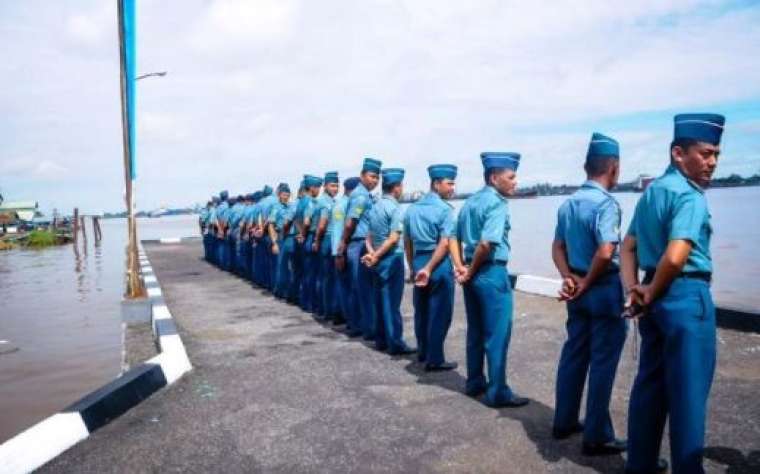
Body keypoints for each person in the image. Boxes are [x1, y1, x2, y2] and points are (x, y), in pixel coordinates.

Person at [622, 113, 725, 474]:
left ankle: (640, 465)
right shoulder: (688, 195)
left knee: (650, 387)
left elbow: (628, 247)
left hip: (654, 297)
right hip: (685, 297)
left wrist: (634, 290)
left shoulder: (652, 193)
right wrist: (650, 289)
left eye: (716, 155)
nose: (711, 162)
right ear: (678, 153)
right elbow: (678, 253)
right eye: (705, 153)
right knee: (688, 397)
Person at [551, 133, 628, 455]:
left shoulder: (568, 204)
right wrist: (586, 281)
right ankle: (597, 435)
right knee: (602, 363)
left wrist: (569, 277)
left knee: (574, 355)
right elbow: (607, 249)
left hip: (578, 289)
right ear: (613, 167)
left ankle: (564, 420)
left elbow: (557, 247)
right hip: (603, 287)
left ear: (586, 166)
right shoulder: (606, 204)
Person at [452, 152, 529, 408]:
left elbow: (452, 238)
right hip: (490, 272)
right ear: (494, 178)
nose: (515, 182)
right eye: (511, 176)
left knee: (475, 331)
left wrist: (461, 267)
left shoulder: (471, 201)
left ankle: (475, 382)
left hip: (472, 274)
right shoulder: (497, 203)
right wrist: (470, 270)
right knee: (497, 335)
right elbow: (486, 244)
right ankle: (497, 392)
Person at [403, 164, 459, 371]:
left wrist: (412, 266)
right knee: (440, 313)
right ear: (436, 184)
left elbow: (407, 242)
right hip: (438, 263)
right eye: (449, 183)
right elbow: (445, 243)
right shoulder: (444, 210)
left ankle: (423, 352)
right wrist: (430, 266)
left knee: (422, 311)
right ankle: (435, 359)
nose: (453, 187)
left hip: (418, 260)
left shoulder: (412, 209)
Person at [363, 168, 416, 355]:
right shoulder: (394, 208)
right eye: (401, 186)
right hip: (391, 257)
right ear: (396, 187)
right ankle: (395, 343)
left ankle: (381, 340)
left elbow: (367, 237)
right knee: (392, 303)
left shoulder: (375, 206)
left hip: (377, 257)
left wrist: (372, 254)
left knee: (379, 299)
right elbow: (394, 238)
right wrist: (377, 256)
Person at [337, 158, 382, 339]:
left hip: (359, 243)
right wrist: (343, 244)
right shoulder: (361, 196)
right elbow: (350, 223)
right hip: (359, 244)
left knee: (359, 287)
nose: (375, 180)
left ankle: (357, 325)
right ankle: (366, 328)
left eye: (377, 177)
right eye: (372, 176)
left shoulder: (361, 194)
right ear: (362, 175)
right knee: (363, 288)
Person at [330, 177, 360, 326]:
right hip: (344, 250)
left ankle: (340, 314)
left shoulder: (348, 203)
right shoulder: (341, 206)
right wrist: (338, 254)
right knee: (346, 286)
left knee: (344, 285)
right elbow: (337, 231)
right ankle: (349, 320)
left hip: (347, 249)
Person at [312, 172, 340, 320]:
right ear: (325, 186)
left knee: (326, 277)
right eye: (332, 185)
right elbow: (322, 226)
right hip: (327, 241)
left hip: (329, 239)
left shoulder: (330, 201)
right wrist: (317, 241)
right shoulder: (325, 202)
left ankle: (325, 308)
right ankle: (328, 310)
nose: (335, 188)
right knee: (328, 278)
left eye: (337, 185)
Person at [300, 175, 324, 312]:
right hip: (310, 237)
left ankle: (305, 301)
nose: (319, 190)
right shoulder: (311, 202)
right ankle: (313, 304)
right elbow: (307, 222)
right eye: (318, 188)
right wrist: (303, 234)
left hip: (304, 239)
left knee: (306, 272)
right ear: (312, 188)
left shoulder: (300, 202)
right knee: (314, 273)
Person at [269, 183, 293, 299]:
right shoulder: (276, 207)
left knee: (289, 267)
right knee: (281, 266)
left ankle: (288, 290)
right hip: (280, 237)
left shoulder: (290, 206)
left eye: (288, 194)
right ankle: (279, 291)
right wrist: (274, 243)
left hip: (289, 238)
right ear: (279, 195)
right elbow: (271, 226)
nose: (286, 197)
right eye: (284, 194)